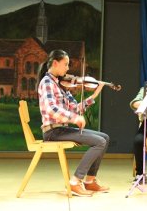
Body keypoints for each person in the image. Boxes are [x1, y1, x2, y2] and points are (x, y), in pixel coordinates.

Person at [37, 49, 110, 197]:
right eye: (66, 64)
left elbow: (75, 109)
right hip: (53, 132)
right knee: (99, 142)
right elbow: (51, 108)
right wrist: (73, 118)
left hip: (62, 130)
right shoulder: (47, 82)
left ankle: (90, 181)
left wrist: (94, 94)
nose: (68, 68)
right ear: (55, 63)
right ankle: (75, 182)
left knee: (105, 137)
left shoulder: (60, 85)